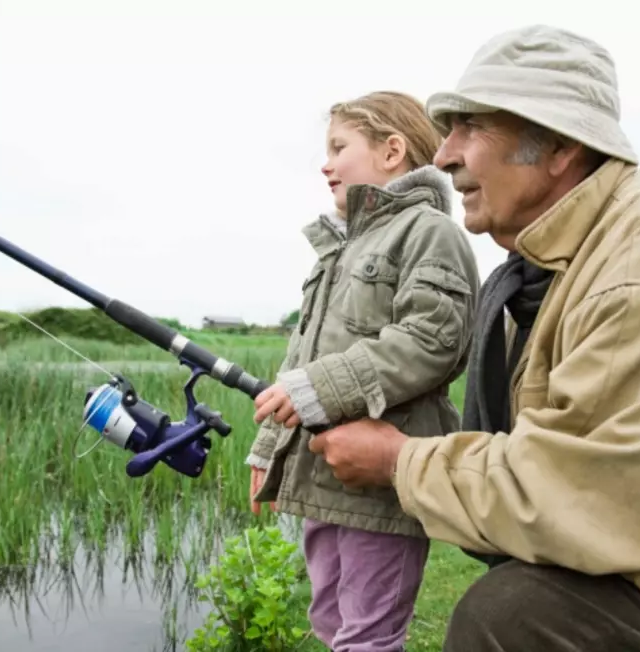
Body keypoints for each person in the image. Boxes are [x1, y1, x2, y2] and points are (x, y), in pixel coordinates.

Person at [305, 24, 640, 652]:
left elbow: (595, 493)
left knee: (510, 616)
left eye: (471, 128)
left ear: (556, 147)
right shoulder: (559, 263)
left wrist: (398, 461)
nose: (443, 155)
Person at [245, 91, 480, 651]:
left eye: (338, 147)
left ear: (392, 150)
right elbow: (300, 363)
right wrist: (268, 450)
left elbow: (431, 340)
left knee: (368, 636)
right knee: (329, 621)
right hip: (324, 475)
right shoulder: (338, 249)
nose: (325, 164)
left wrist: (317, 391)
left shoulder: (430, 232)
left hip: (381, 486)